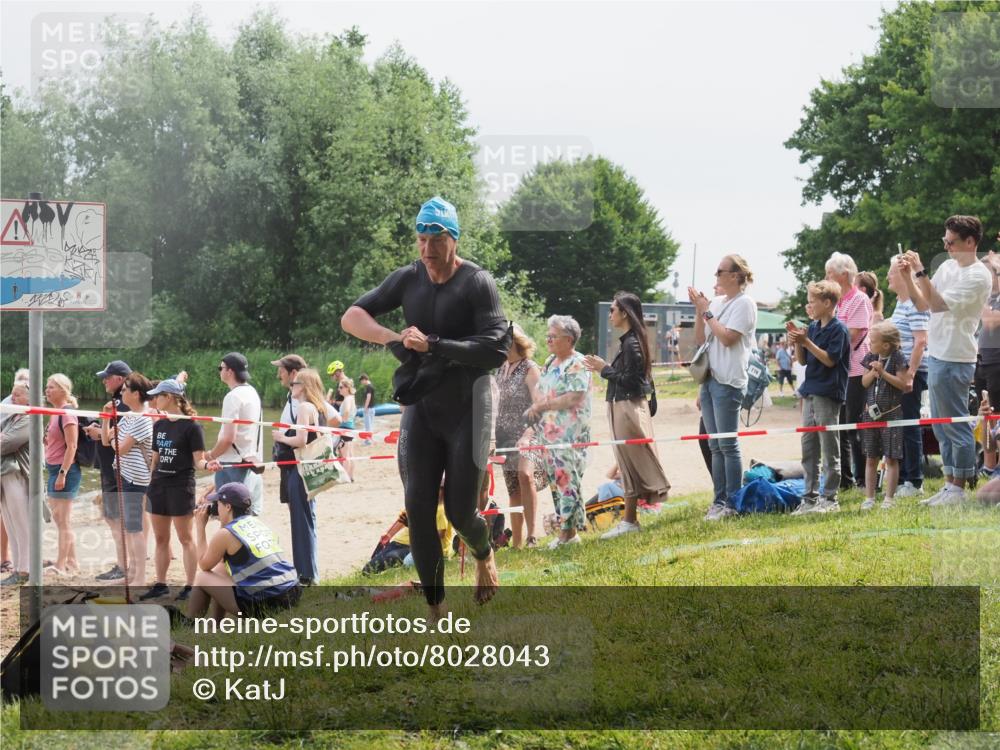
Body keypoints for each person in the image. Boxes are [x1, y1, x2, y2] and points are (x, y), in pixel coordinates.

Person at [341, 196, 508, 617]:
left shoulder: (477, 282)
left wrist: (434, 344)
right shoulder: (408, 278)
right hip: (423, 405)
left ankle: (484, 552)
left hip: (470, 407)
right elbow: (352, 315)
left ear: (454, 240)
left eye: (436, 240)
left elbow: (495, 349)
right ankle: (437, 609)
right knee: (418, 509)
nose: (427, 250)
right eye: (421, 239)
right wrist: (391, 338)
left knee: (460, 512)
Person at [899, 215, 992, 505]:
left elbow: (938, 304)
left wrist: (920, 271)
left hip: (957, 357)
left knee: (956, 426)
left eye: (951, 242)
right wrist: (908, 276)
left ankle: (959, 488)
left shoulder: (979, 275)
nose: (947, 247)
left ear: (970, 242)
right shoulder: (948, 267)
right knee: (940, 426)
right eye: (945, 241)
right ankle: (950, 484)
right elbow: (922, 303)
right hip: (938, 354)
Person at [584, 292, 669, 539]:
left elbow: (632, 381)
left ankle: (630, 521)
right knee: (627, 464)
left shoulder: (632, 344)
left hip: (627, 407)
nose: (610, 314)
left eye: (613, 310)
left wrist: (604, 369)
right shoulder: (631, 341)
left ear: (625, 313)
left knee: (630, 464)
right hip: (623, 406)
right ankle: (629, 520)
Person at [688, 254, 758, 521]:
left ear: (735, 275)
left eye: (720, 271)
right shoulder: (717, 302)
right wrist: (700, 311)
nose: (716, 276)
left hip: (729, 380)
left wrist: (706, 312)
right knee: (715, 445)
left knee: (728, 444)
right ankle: (718, 501)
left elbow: (728, 338)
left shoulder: (745, 304)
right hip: (709, 379)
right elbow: (700, 339)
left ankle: (733, 502)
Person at [520, 315, 592, 548]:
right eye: (548, 335)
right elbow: (542, 389)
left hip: (570, 434)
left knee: (567, 479)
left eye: (553, 336)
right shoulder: (551, 360)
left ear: (569, 339)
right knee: (556, 481)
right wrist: (536, 407)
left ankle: (568, 534)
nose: (548, 340)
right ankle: (568, 530)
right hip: (549, 433)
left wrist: (543, 406)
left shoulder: (578, 363)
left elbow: (574, 397)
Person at [187, 482, 300, 622]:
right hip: (291, 591)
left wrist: (200, 527)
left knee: (202, 577)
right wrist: (223, 521)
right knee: (221, 569)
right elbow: (221, 561)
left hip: (267, 602)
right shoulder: (257, 523)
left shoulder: (225, 534)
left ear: (228, 507)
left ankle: (190, 623)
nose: (216, 507)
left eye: (218, 503)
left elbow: (204, 564)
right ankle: (215, 624)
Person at [788, 281, 850, 515]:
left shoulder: (839, 329)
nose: (809, 306)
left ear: (827, 303)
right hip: (810, 391)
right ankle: (809, 498)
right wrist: (798, 342)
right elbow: (803, 360)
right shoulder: (813, 328)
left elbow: (830, 360)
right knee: (809, 448)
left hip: (828, 393)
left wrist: (806, 342)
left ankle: (830, 498)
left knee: (829, 447)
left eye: (812, 301)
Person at [143, 379, 206, 601]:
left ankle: (190, 586)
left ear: (168, 397)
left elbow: (199, 461)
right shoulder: (159, 425)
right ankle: (161, 584)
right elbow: (155, 459)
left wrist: (209, 465)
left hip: (181, 487)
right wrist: (149, 483)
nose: (154, 400)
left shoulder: (192, 426)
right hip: (158, 486)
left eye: (157, 396)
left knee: (185, 538)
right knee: (161, 538)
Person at [271, 368, 329, 586]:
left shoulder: (305, 407)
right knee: (307, 518)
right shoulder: (318, 407)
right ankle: (309, 572)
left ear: (304, 386)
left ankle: (305, 574)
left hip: (300, 469)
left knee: (301, 520)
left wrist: (281, 437)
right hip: (310, 468)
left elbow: (301, 440)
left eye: (295, 383)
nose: (291, 386)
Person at [99, 372, 155, 586]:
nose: (121, 393)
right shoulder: (130, 415)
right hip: (124, 475)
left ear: (136, 393)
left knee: (134, 529)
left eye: (124, 389)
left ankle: (139, 577)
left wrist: (114, 437)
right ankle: (132, 574)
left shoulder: (142, 418)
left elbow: (120, 448)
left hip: (136, 479)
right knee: (129, 528)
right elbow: (106, 441)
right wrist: (106, 418)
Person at [494, 324, 546, 548]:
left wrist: (527, 434)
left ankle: (532, 536)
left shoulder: (530, 368)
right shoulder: (500, 367)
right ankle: (516, 542)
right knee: (513, 488)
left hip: (528, 432)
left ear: (513, 341)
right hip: (505, 436)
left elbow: (540, 404)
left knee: (525, 475)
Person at [826, 252, 873, 489]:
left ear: (844, 275)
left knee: (853, 426)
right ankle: (845, 478)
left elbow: (852, 336)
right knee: (841, 428)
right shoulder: (837, 302)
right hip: (840, 372)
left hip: (856, 371)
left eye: (829, 273)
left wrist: (827, 346)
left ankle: (863, 477)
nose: (826, 278)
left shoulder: (859, 300)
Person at [83, 360, 132, 581]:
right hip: (113, 468)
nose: (104, 381)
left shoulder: (123, 402)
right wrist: (99, 426)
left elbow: (118, 435)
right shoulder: (123, 401)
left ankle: (123, 565)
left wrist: (98, 432)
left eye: (107, 377)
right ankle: (125, 563)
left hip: (116, 469)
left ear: (120, 379)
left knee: (115, 519)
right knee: (116, 518)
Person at [887, 255, 930, 498]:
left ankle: (914, 480)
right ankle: (903, 477)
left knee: (909, 425)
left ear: (904, 277)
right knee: (901, 426)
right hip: (898, 372)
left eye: (891, 272)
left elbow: (920, 341)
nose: (887, 277)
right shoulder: (900, 304)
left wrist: (910, 374)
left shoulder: (915, 304)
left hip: (912, 372)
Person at [203, 353, 264, 515]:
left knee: (230, 517)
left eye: (221, 368)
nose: (219, 371)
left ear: (230, 371)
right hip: (251, 461)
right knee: (247, 515)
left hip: (232, 463)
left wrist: (210, 455)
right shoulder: (252, 392)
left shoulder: (233, 397)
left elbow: (228, 438)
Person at [859, 321, 908, 510]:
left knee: (891, 458)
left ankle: (889, 498)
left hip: (892, 415)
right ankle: (869, 497)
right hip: (870, 415)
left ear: (886, 345)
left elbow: (902, 384)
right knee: (871, 457)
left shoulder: (898, 357)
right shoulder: (870, 356)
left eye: (873, 341)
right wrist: (873, 372)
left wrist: (883, 372)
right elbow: (864, 382)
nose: (869, 344)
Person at [44, 374, 81, 575]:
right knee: (60, 520)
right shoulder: (55, 413)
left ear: (63, 390)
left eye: (51, 387)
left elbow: (72, 446)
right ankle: (72, 561)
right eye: (46, 387)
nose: (47, 390)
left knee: (63, 521)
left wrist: (62, 473)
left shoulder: (67, 413)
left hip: (65, 470)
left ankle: (60, 564)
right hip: (53, 469)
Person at [0, 382, 31, 585]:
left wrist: (3, 438)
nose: (13, 398)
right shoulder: (12, 417)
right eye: (12, 394)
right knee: (10, 522)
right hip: (5, 474)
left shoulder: (28, 418)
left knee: (22, 522)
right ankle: (18, 567)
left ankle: (25, 569)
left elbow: (6, 443)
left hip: (17, 474)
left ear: (29, 398)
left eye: (18, 395)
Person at [975, 255, 1000, 421]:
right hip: (982, 363)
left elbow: (990, 321)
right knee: (983, 417)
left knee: (996, 415)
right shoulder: (988, 299)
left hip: (997, 364)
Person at [337, 377, 357, 479]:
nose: (339, 389)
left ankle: (345, 477)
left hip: (345, 427)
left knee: (345, 455)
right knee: (349, 454)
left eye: (341, 387)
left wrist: (342, 420)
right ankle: (350, 476)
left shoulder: (348, 398)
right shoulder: (351, 398)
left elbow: (347, 410)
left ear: (347, 388)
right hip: (350, 427)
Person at [358, 374, 376, 445]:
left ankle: (367, 441)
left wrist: (365, 407)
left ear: (364, 379)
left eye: (361, 381)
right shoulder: (371, 386)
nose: (361, 383)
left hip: (368, 408)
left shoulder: (368, 387)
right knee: (370, 425)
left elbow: (368, 397)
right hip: (372, 408)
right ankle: (369, 439)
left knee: (367, 426)